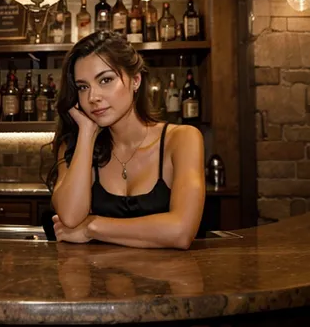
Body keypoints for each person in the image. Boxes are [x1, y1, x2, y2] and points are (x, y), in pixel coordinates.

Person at [46, 31, 205, 250]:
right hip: (96, 281)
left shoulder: (181, 139)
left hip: (165, 281)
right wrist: (86, 132)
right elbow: (71, 217)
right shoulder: (75, 145)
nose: (93, 97)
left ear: (136, 80)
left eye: (106, 80)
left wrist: (91, 227)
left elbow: (181, 231)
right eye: (83, 87)